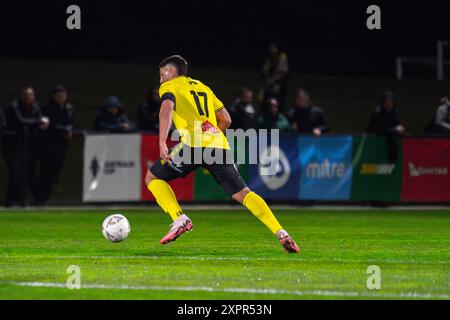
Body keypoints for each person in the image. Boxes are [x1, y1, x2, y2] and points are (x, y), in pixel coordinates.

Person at [144, 55, 299, 253]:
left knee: (152, 177)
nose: (160, 80)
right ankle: (281, 233)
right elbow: (225, 119)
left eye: (162, 74)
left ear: (172, 73)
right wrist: (210, 143)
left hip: (193, 143)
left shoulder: (170, 85)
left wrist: (161, 141)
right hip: (218, 144)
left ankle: (179, 218)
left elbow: (167, 107)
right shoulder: (203, 87)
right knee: (244, 193)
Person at [2, 86, 49, 207]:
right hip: (12, 144)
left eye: (31, 95)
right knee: (15, 172)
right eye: (26, 95)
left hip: (27, 145)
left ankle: (23, 200)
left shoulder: (35, 107)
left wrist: (42, 123)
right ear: (21, 96)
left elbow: (40, 121)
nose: (29, 97)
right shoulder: (14, 106)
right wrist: (38, 122)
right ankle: (11, 200)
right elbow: (21, 121)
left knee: (26, 173)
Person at [35, 85, 75, 205]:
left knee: (55, 173)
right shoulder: (47, 108)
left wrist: (70, 130)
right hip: (49, 145)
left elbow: (72, 122)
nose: (61, 98)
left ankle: (44, 198)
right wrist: (64, 130)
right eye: (59, 96)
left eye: (63, 95)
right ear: (54, 96)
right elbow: (49, 125)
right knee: (46, 172)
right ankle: (40, 199)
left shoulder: (69, 108)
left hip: (62, 145)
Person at [367, 91, 405, 162]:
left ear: (393, 103)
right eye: (386, 102)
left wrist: (401, 130)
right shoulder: (377, 113)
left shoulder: (395, 113)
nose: (388, 104)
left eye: (390, 102)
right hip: (375, 139)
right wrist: (395, 130)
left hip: (391, 137)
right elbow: (379, 130)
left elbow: (398, 125)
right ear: (383, 103)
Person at [262, 42, 289, 110]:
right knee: (267, 98)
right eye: (271, 48)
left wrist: (275, 80)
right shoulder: (269, 57)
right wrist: (268, 79)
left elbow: (283, 71)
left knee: (278, 100)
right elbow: (265, 69)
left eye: (274, 48)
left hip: (279, 83)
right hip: (269, 83)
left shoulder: (282, 56)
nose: (272, 50)